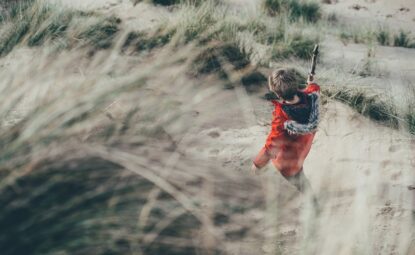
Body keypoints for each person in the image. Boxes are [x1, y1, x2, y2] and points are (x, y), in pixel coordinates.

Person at [251, 68, 320, 206]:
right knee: (300, 177)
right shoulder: (312, 99)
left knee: (301, 183)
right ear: (296, 85)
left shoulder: (281, 118)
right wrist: (311, 83)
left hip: (287, 162)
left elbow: (272, 146)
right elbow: (313, 88)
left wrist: (257, 164)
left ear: (277, 93)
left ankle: (314, 206)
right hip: (302, 150)